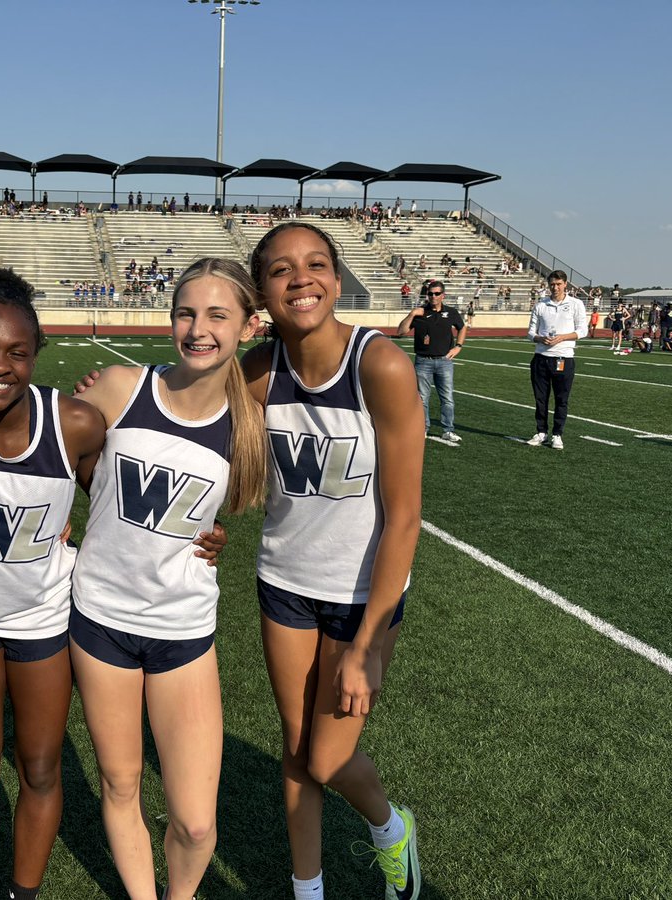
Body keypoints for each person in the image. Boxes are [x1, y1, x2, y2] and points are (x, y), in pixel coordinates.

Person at [70, 258, 266, 900]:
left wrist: (213, 540)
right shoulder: (119, 387)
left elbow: (217, 516)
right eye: (186, 312)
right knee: (121, 784)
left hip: (181, 626)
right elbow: (53, 451)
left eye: (217, 315)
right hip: (99, 616)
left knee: (196, 819)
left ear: (247, 325)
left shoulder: (249, 427)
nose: (198, 328)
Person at [243, 223, 423, 900]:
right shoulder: (260, 372)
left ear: (339, 277)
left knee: (326, 756)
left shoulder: (379, 365)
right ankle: (307, 889)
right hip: (283, 582)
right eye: (282, 269)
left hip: (362, 594)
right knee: (295, 752)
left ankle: (390, 828)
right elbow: (185, 424)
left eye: (316, 264)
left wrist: (370, 642)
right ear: (262, 290)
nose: (302, 279)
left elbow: (404, 516)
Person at [397, 279, 466, 442]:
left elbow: (462, 327)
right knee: (422, 398)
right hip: (423, 361)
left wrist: (458, 346)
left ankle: (448, 429)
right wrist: (412, 314)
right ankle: (423, 428)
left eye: (436, 294)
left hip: (444, 361)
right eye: (430, 294)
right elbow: (400, 331)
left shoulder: (451, 312)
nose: (433, 297)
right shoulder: (420, 312)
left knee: (447, 398)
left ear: (443, 295)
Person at [526, 270, 587, 450]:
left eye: (559, 284)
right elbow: (530, 332)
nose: (555, 287)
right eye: (552, 284)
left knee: (561, 399)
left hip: (564, 357)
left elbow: (582, 331)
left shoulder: (576, 304)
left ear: (565, 284)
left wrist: (563, 337)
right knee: (540, 399)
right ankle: (541, 432)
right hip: (541, 358)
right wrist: (539, 338)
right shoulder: (541, 305)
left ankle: (557, 434)